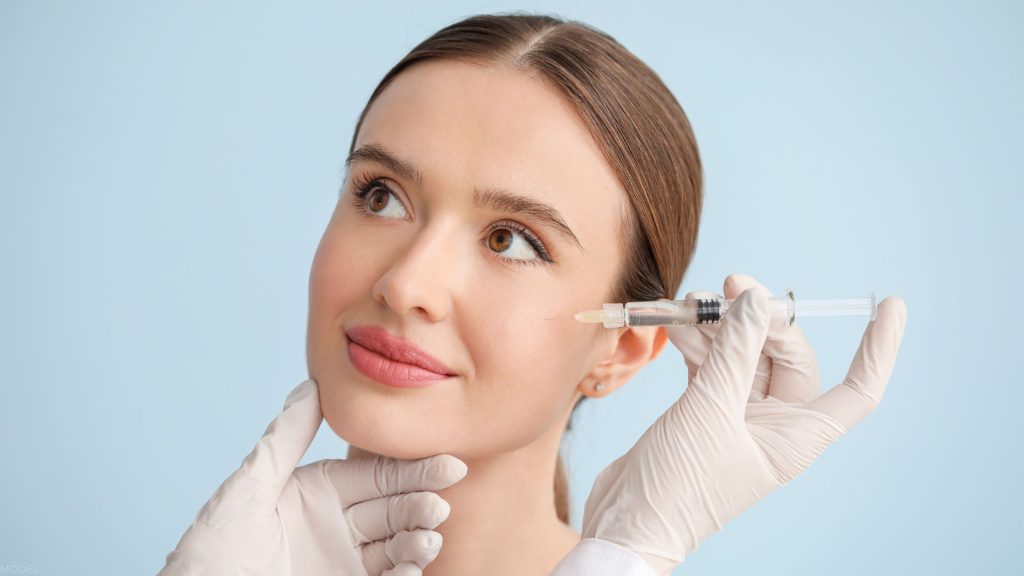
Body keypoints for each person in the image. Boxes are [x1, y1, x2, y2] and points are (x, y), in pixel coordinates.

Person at [160, 12, 907, 576]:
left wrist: (624, 554)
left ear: (621, 345)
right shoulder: (236, 553)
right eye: (381, 195)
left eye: (511, 239)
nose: (406, 283)